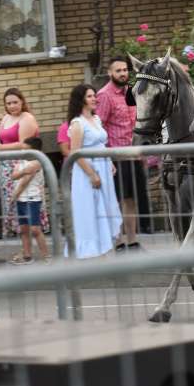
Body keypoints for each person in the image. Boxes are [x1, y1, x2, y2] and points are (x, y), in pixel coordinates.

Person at [97, 56, 150, 250]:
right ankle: (118, 242)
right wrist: (105, 156)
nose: (123, 73)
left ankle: (133, 240)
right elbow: (99, 126)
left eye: (125, 70)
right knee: (116, 200)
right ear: (110, 73)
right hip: (116, 157)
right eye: (118, 70)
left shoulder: (132, 93)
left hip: (134, 154)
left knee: (131, 199)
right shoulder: (104, 95)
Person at [68, 83, 123, 259]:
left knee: (106, 207)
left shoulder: (97, 119)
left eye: (94, 95)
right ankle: (93, 250)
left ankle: (107, 248)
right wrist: (92, 174)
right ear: (81, 100)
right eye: (90, 96)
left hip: (103, 167)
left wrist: (109, 161)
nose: (94, 99)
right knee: (93, 209)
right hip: (88, 172)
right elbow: (75, 152)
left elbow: (102, 143)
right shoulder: (78, 123)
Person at [0, 88, 46, 238]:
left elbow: (23, 144)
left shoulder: (27, 118)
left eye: (15, 102)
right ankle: (24, 249)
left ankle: (41, 252)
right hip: (6, 167)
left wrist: (0, 147)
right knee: (12, 206)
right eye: (8, 103)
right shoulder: (6, 118)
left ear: (22, 101)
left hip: (23, 165)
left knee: (23, 201)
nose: (12, 106)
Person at [8, 136, 50, 265]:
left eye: (26, 150)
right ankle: (27, 255)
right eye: (22, 149)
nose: (23, 152)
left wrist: (14, 195)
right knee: (24, 229)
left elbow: (24, 182)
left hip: (32, 198)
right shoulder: (21, 162)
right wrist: (24, 171)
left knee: (35, 229)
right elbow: (14, 176)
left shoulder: (37, 162)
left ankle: (46, 256)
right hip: (21, 199)